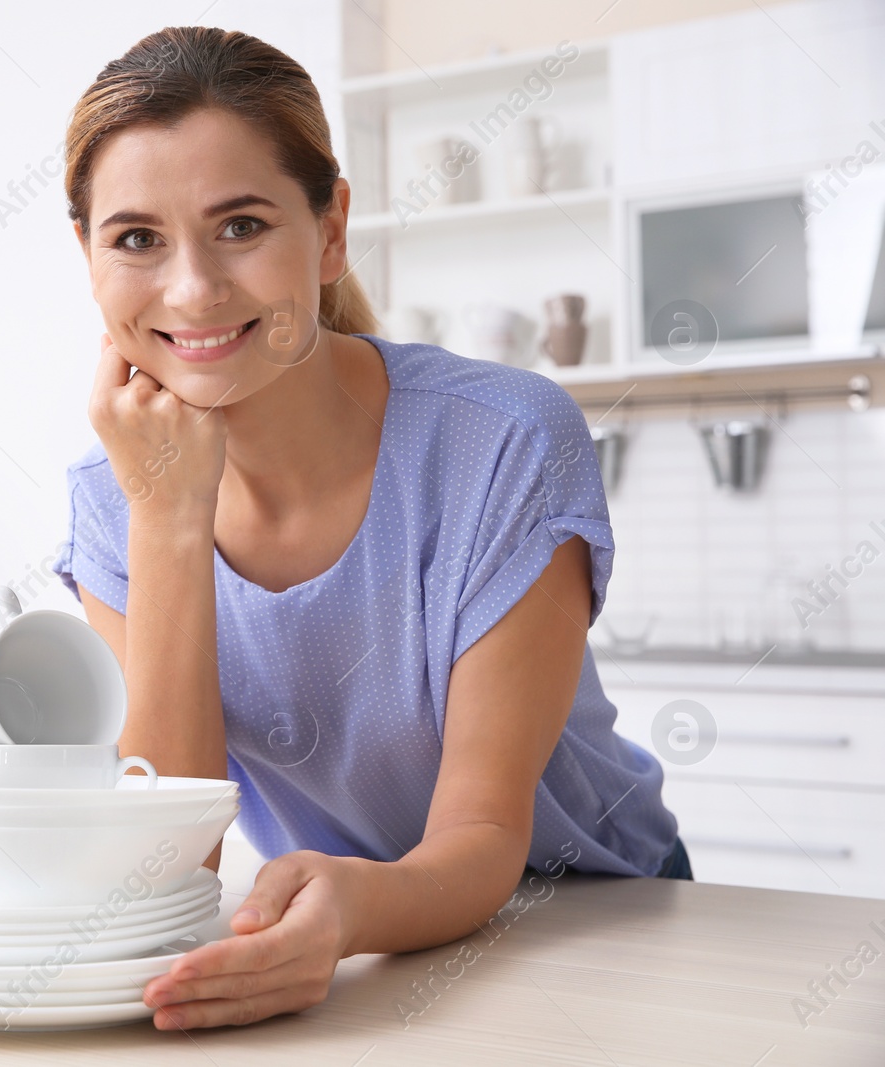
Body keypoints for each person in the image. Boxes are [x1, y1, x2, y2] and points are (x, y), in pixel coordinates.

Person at [46, 25, 689, 1031]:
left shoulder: (505, 441)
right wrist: (168, 518)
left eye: (241, 225)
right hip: (381, 945)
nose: (191, 288)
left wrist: (350, 908)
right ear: (88, 258)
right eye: (135, 238)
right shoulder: (111, 489)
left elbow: (481, 836)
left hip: (606, 917)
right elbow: (176, 858)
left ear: (331, 228)